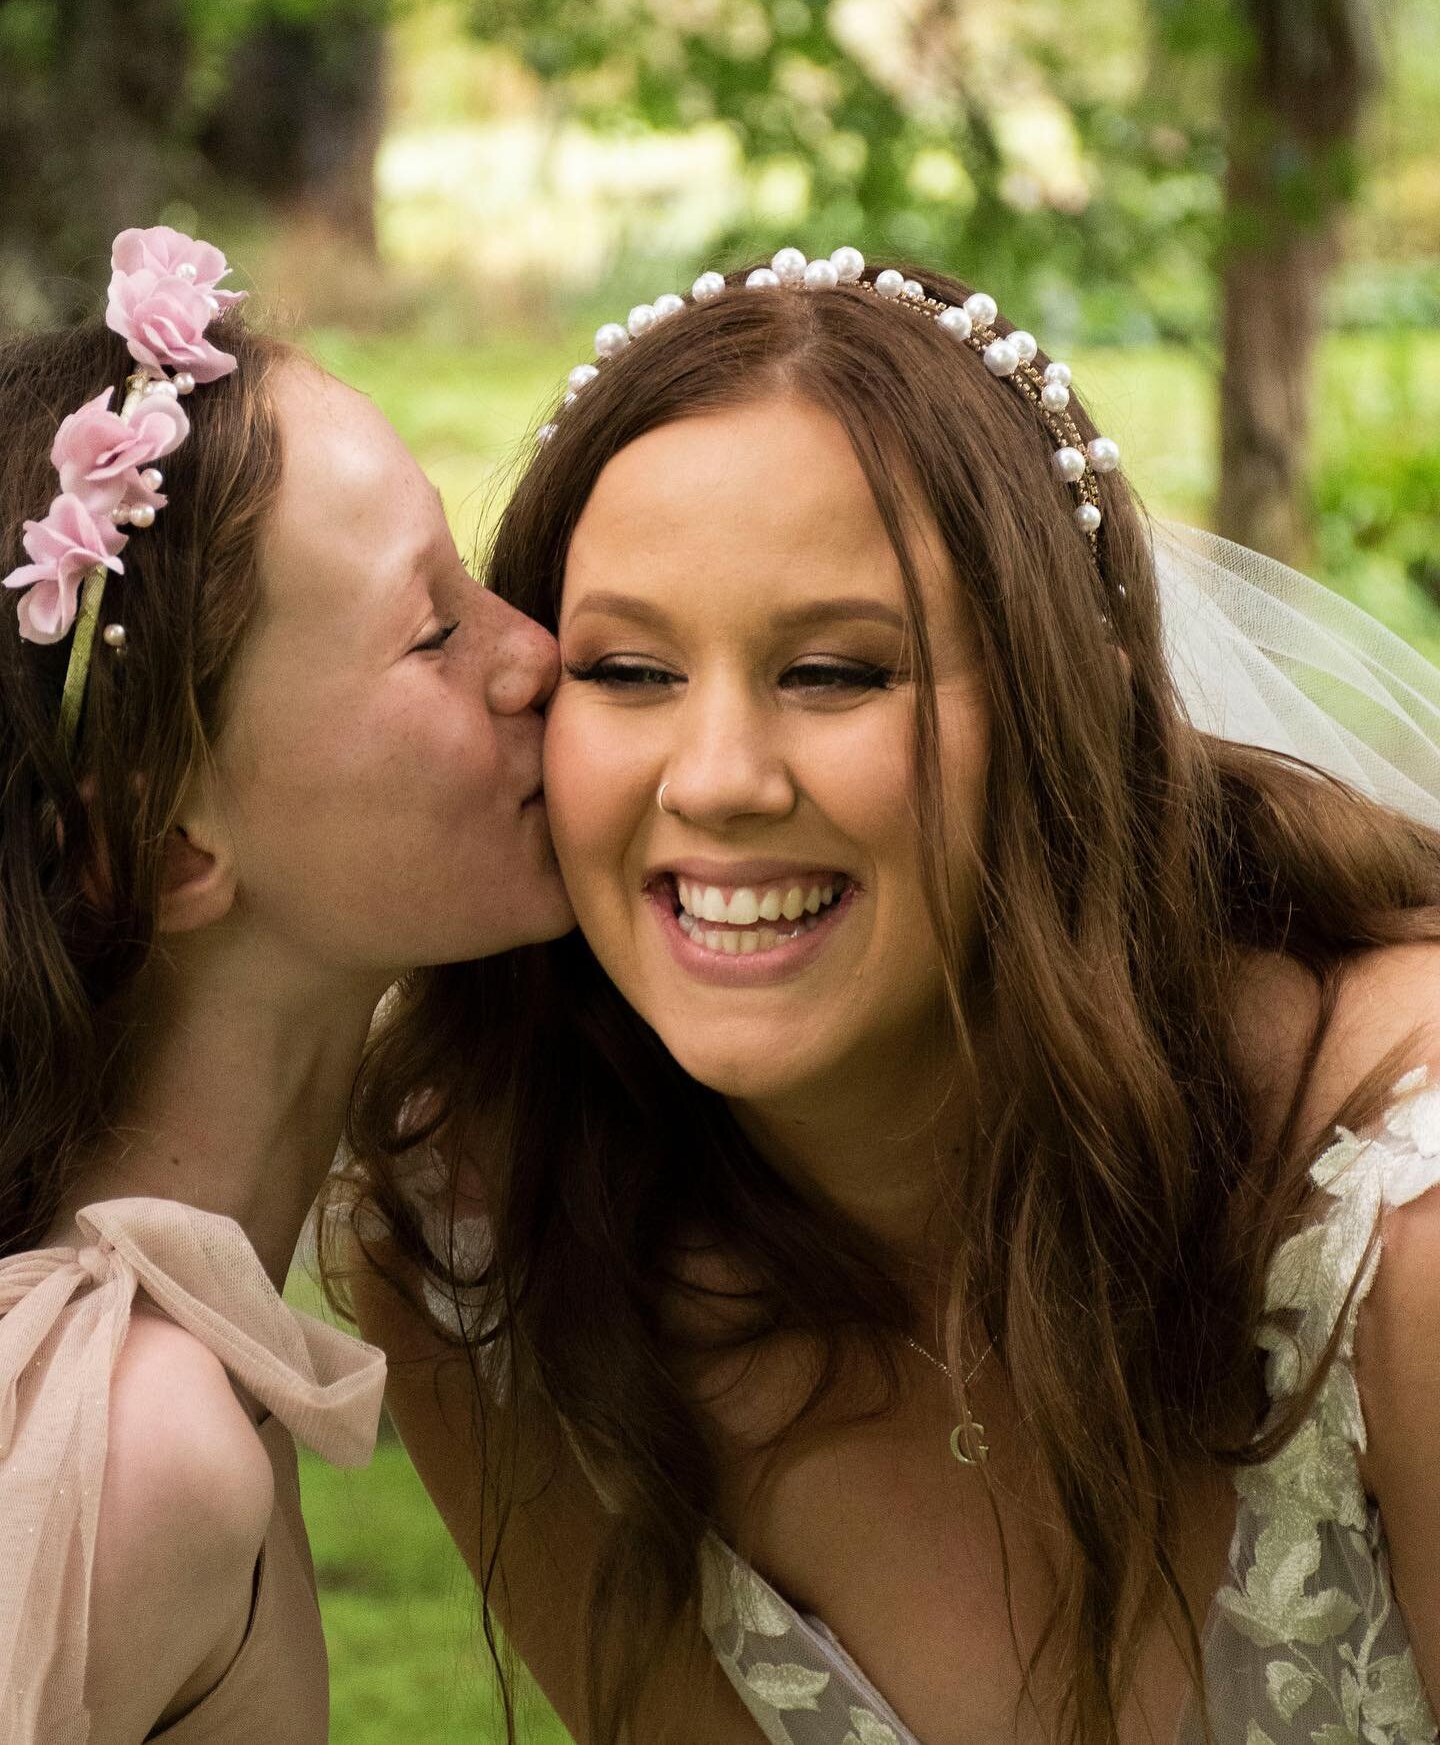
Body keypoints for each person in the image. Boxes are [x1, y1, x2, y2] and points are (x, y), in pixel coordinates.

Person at [344, 250, 1440, 1745]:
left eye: (838, 674)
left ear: (1076, 709)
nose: (718, 779)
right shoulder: (489, 1248)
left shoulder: (1403, 1224)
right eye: (631, 670)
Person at [0, 225, 573, 1745]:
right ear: (164, 840)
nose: (540, 657)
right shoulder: (133, 1447)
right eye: (435, 629)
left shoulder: (161, 1371)